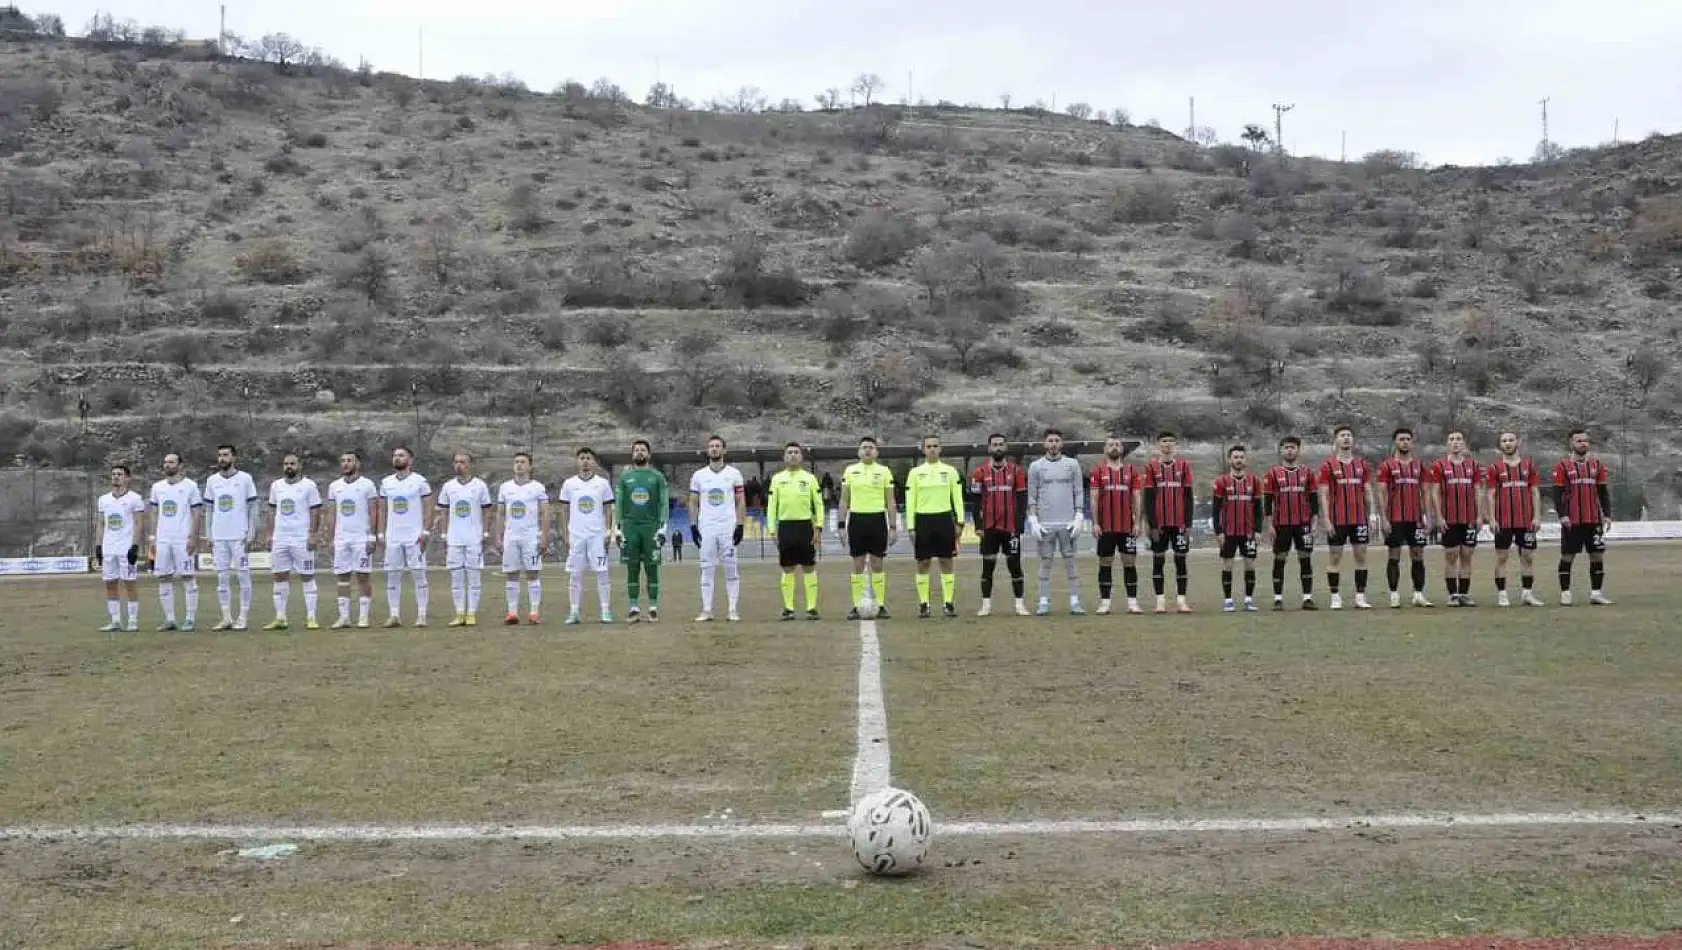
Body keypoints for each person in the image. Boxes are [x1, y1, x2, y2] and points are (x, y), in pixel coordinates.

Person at [968, 433, 1029, 617]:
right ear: (989, 448)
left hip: (1010, 528)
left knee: (1014, 565)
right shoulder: (979, 472)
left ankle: (1019, 605)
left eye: (1001, 444)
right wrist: (978, 526)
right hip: (989, 528)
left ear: (1006, 447)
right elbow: (975, 501)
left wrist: (1019, 526)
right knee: (988, 566)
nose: (998, 447)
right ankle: (986, 605)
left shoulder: (1016, 471)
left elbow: (1021, 498)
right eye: (994, 444)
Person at [905, 433, 965, 618]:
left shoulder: (950, 471)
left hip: (944, 519)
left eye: (935, 446)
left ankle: (948, 603)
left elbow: (957, 498)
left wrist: (960, 521)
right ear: (923, 449)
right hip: (923, 520)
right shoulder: (915, 473)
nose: (932, 449)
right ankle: (924, 604)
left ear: (941, 449)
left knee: (946, 561)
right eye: (928, 446)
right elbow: (910, 501)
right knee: (923, 563)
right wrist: (911, 526)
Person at [1027, 427, 1084, 616]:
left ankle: (1075, 602)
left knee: (1070, 562)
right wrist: (1033, 519)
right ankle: (1043, 602)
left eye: (1056, 440)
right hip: (1045, 524)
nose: (1053, 444)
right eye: (1050, 440)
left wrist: (1078, 516)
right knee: (1045, 562)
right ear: (1044, 443)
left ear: (1062, 443)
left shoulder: (1072, 464)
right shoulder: (1036, 466)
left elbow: (1078, 491)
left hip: (1067, 523)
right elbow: (1032, 495)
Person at [1551, 428, 1613, 606]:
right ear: (1571, 443)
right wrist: (1562, 515)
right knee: (1568, 556)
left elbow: (1603, 492)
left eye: (1585, 440)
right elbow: (1558, 493)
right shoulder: (1563, 465)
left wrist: (1607, 515)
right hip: (1572, 520)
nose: (1583, 444)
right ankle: (1565, 593)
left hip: (1593, 519)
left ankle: (1596, 593)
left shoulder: (1597, 464)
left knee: (1597, 555)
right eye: (1579, 441)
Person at [262, 452, 323, 630]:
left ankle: (311, 617)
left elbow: (315, 511)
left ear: (299, 465)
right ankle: (281, 617)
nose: (289, 467)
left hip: (301, 538)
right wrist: (269, 534)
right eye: (286, 464)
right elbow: (272, 511)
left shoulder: (309, 486)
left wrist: (312, 534)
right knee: (279, 576)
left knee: (307, 576)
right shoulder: (276, 486)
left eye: (292, 464)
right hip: (281, 538)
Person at [688, 434, 745, 622]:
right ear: (707, 450)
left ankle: (732, 609)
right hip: (707, 528)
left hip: (727, 527)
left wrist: (740, 524)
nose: (714, 449)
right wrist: (693, 526)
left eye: (718, 446)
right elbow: (694, 503)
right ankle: (706, 609)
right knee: (707, 568)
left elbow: (740, 501)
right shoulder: (699, 476)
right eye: (711, 446)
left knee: (731, 568)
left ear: (724, 450)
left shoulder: (734, 474)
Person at [1317, 426, 1375, 610]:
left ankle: (1360, 597)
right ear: (1336, 440)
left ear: (1353, 440)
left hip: (1358, 519)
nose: (1346, 438)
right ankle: (1335, 596)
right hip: (1337, 519)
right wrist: (1326, 519)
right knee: (1335, 557)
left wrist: (1372, 515)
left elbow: (1367, 491)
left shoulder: (1362, 465)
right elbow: (1324, 494)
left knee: (1361, 556)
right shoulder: (1328, 466)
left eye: (1349, 435)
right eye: (1342, 436)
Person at [1375, 427, 1433, 608]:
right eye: (1401, 439)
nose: (1405, 442)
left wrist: (1427, 516)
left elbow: (1425, 492)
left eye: (1408, 439)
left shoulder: (1420, 466)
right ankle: (1394, 594)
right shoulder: (1387, 466)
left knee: (1418, 554)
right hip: (1395, 518)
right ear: (1395, 442)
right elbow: (1381, 493)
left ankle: (1418, 594)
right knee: (1394, 555)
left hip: (1415, 518)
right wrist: (1383, 518)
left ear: (1412, 442)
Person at [1485, 430, 1545, 607]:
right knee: (1501, 557)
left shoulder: (1529, 466)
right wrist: (1492, 519)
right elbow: (1490, 494)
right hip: (1503, 521)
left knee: (1528, 557)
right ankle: (1502, 594)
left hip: (1525, 521)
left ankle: (1527, 594)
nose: (1508, 443)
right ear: (1500, 445)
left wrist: (1537, 516)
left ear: (1517, 442)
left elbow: (1535, 492)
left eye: (1511, 440)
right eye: (1504, 441)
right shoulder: (1494, 468)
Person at [840, 437, 897, 620]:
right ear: (858, 451)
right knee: (857, 564)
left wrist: (893, 526)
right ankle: (857, 606)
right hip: (856, 519)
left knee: (877, 564)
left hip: (877, 520)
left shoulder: (884, 471)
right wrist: (841, 525)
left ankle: (880, 605)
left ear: (876, 452)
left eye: (871, 448)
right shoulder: (850, 471)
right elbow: (843, 500)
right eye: (864, 447)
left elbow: (890, 501)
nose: (867, 450)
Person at [204, 443, 260, 631]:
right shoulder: (212, 480)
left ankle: (243, 616)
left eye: (226, 455)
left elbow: (253, 506)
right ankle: (226, 617)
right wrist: (208, 533)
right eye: (220, 455)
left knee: (243, 576)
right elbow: (209, 509)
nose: (222, 458)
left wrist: (251, 531)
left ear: (234, 457)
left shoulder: (245, 479)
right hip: (219, 536)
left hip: (239, 535)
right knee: (222, 578)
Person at [434, 451, 493, 627]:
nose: (459, 465)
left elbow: (487, 510)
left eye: (463, 462)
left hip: (474, 538)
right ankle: (459, 613)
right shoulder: (448, 487)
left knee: (474, 577)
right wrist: (444, 533)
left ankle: (471, 613)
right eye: (456, 462)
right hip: (454, 539)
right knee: (456, 577)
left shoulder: (480, 486)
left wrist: (485, 533)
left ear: (471, 464)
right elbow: (443, 511)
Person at [615, 438, 670, 623]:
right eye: (636, 450)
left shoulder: (657, 477)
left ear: (649, 454)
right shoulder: (625, 478)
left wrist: (663, 526)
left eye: (643, 450)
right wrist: (617, 528)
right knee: (632, 568)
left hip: (651, 527)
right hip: (630, 528)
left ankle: (653, 607)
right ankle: (633, 607)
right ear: (632, 454)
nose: (639, 452)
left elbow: (663, 502)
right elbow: (619, 503)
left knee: (652, 568)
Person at [559, 447, 615, 624]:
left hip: (596, 536)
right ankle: (574, 611)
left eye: (588, 458)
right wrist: (565, 533)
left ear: (594, 462)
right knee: (575, 574)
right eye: (582, 458)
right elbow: (564, 510)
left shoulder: (602, 483)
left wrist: (608, 531)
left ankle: (605, 610)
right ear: (577, 461)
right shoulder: (569, 484)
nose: (585, 461)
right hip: (576, 536)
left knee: (602, 572)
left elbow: (608, 509)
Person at [1087, 434, 1143, 615]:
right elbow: (1094, 499)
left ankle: (1133, 602)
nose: (1114, 448)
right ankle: (1105, 603)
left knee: (1129, 562)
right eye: (1110, 445)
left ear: (1122, 449)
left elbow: (1137, 497)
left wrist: (1138, 522)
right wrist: (1095, 523)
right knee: (1105, 562)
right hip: (1106, 526)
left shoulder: (1132, 471)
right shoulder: (1097, 470)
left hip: (1126, 526)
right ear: (1105, 449)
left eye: (1117, 445)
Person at [768, 441, 823, 620]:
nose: (793, 455)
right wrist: (771, 529)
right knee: (787, 568)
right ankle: (788, 609)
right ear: (784, 457)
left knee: (809, 567)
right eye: (789, 452)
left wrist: (818, 527)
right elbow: (771, 507)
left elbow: (819, 505)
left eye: (796, 452)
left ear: (801, 456)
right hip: (785, 527)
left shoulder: (810, 478)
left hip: (805, 526)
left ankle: (811, 608)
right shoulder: (777, 479)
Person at [379, 446, 434, 627]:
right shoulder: (386, 482)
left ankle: (421, 615)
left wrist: (426, 531)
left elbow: (428, 506)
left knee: (418, 574)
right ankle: (394, 615)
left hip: (414, 536)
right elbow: (383, 509)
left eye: (401, 455)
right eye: (395, 455)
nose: (397, 458)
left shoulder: (420, 481)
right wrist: (380, 533)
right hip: (393, 536)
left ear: (410, 460)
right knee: (392, 575)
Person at [1428, 430, 1484, 607]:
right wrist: (1439, 517)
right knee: (1451, 556)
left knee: (1467, 556)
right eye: (1452, 439)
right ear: (1447, 444)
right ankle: (1453, 594)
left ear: (1464, 443)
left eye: (1459, 439)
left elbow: (1478, 491)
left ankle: (1464, 594)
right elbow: (1435, 492)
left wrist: (1480, 516)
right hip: (1449, 519)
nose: (1455, 442)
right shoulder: (1439, 466)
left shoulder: (1473, 465)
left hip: (1469, 519)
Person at [147, 452, 202, 631]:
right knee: (164, 577)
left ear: (180, 465)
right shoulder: (157, 487)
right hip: (163, 539)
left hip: (182, 539)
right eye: (165, 462)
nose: (167, 465)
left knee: (188, 577)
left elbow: (196, 513)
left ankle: (190, 619)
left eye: (171, 462)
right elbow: (154, 513)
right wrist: (153, 538)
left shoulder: (190, 486)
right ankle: (170, 619)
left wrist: (193, 536)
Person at [492, 451, 550, 624]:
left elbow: (545, 512)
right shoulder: (505, 487)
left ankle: (533, 612)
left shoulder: (537, 487)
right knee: (511, 574)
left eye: (523, 462)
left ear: (530, 466)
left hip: (530, 537)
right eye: (516, 462)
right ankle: (512, 612)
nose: (519, 465)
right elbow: (500, 514)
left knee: (533, 573)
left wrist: (544, 537)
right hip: (511, 537)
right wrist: (498, 536)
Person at [1262, 436, 1319, 610]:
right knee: (1280, 559)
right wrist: (1270, 524)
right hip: (1281, 524)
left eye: (1293, 447)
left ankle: (1307, 598)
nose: (1289, 450)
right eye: (1286, 447)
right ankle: (1278, 598)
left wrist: (1315, 522)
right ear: (1281, 451)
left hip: (1303, 523)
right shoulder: (1273, 473)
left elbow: (1313, 499)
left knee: (1305, 558)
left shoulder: (1307, 473)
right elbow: (1268, 500)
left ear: (1298, 450)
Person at [1140, 430, 1194, 614]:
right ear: (1159, 445)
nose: (1168, 444)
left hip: (1179, 524)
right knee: (1158, 561)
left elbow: (1188, 497)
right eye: (1164, 441)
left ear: (1176, 445)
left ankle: (1181, 601)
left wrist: (1188, 523)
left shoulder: (1184, 466)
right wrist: (1152, 524)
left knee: (1181, 560)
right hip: (1160, 525)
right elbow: (1148, 498)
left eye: (1171, 441)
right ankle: (1160, 601)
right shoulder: (1151, 467)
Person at [325, 450, 380, 628]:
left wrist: (372, 536)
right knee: (342, 577)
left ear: (358, 464)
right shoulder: (334, 486)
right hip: (342, 538)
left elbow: (374, 511)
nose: (346, 464)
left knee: (363, 576)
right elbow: (332, 513)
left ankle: (363, 616)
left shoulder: (368, 485)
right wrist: (331, 538)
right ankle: (344, 617)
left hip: (361, 538)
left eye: (350, 460)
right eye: (343, 461)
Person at [94, 464, 147, 632]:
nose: (116, 477)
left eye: (120, 474)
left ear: (127, 478)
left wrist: (135, 546)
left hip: (125, 547)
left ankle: (132, 620)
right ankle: (115, 620)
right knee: (110, 584)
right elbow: (101, 524)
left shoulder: (135, 498)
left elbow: (139, 524)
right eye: (113, 474)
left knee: (129, 583)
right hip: (109, 548)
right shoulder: (103, 500)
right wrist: (98, 546)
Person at [1211, 444, 1263, 612]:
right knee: (1227, 565)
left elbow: (1258, 508)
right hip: (1229, 532)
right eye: (1235, 457)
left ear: (1245, 460)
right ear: (1229, 460)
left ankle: (1248, 600)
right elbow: (1216, 508)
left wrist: (1258, 530)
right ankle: (1228, 600)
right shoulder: (1221, 481)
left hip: (1248, 533)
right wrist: (1218, 531)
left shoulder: (1254, 481)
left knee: (1250, 564)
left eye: (1241, 457)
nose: (1238, 460)